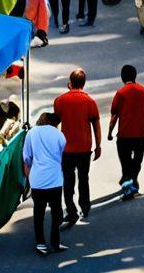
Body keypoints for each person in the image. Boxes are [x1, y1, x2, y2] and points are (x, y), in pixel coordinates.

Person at [53, 68, 102, 228]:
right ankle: (85, 206)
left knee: (68, 180)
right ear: (84, 83)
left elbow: (55, 123)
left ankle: (71, 210)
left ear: (70, 83)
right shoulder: (89, 102)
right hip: (84, 148)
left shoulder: (60, 100)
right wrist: (98, 145)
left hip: (66, 149)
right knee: (83, 178)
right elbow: (96, 125)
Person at [23, 112, 68, 256]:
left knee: (38, 213)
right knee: (57, 212)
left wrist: (30, 171)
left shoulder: (31, 133)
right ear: (55, 123)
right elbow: (62, 155)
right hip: (55, 179)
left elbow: (27, 157)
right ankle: (55, 242)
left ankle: (40, 243)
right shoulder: (59, 135)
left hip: (37, 180)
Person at [107, 65, 144, 197]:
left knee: (126, 163)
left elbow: (114, 115)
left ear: (122, 77)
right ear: (135, 76)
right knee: (137, 162)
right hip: (140, 135)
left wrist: (110, 132)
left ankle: (128, 183)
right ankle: (133, 181)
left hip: (124, 136)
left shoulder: (120, 93)